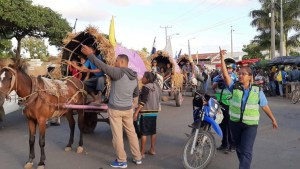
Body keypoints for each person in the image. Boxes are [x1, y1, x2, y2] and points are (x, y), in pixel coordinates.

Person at [81, 45, 142, 168]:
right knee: (132, 133)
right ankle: (137, 157)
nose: (114, 63)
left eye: (116, 61)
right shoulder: (134, 77)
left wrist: (90, 55)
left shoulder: (117, 72)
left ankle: (121, 161)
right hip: (128, 110)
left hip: (116, 110)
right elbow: (136, 93)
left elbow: (102, 66)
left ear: (121, 62)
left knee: (117, 136)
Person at [219, 48, 278, 169]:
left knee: (246, 151)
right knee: (239, 148)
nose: (240, 75)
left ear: (250, 76)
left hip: (250, 125)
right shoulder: (234, 87)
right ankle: (244, 165)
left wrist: (273, 119)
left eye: (243, 74)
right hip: (234, 123)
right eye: (239, 73)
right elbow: (225, 75)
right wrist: (222, 59)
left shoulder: (257, 90)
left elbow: (264, 106)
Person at [133, 72, 161, 158]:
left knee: (143, 133)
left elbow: (143, 101)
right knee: (153, 131)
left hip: (146, 113)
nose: (142, 79)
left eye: (143, 77)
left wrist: (136, 112)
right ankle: (152, 149)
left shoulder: (145, 87)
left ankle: (142, 153)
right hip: (154, 112)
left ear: (147, 79)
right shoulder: (156, 86)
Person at [212, 58, 238, 153]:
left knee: (229, 125)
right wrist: (218, 81)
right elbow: (213, 86)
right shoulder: (218, 77)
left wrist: (225, 79)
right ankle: (224, 144)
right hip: (219, 104)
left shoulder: (234, 77)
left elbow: (230, 83)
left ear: (233, 69)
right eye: (226, 67)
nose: (227, 69)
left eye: (229, 68)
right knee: (222, 125)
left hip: (229, 104)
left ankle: (232, 145)